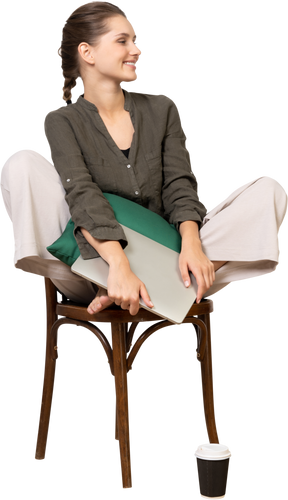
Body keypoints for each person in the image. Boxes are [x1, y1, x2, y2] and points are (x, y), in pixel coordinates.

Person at [1, 1, 287, 317]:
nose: (137, 50)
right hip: (95, 263)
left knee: (269, 188)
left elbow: (180, 184)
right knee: (20, 162)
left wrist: (191, 243)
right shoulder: (61, 120)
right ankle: (128, 286)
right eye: (122, 41)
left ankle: (160, 284)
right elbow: (82, 195)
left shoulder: (162, 107)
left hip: (172, 255)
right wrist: (119, 265)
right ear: (88, 53)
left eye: (135, 40)